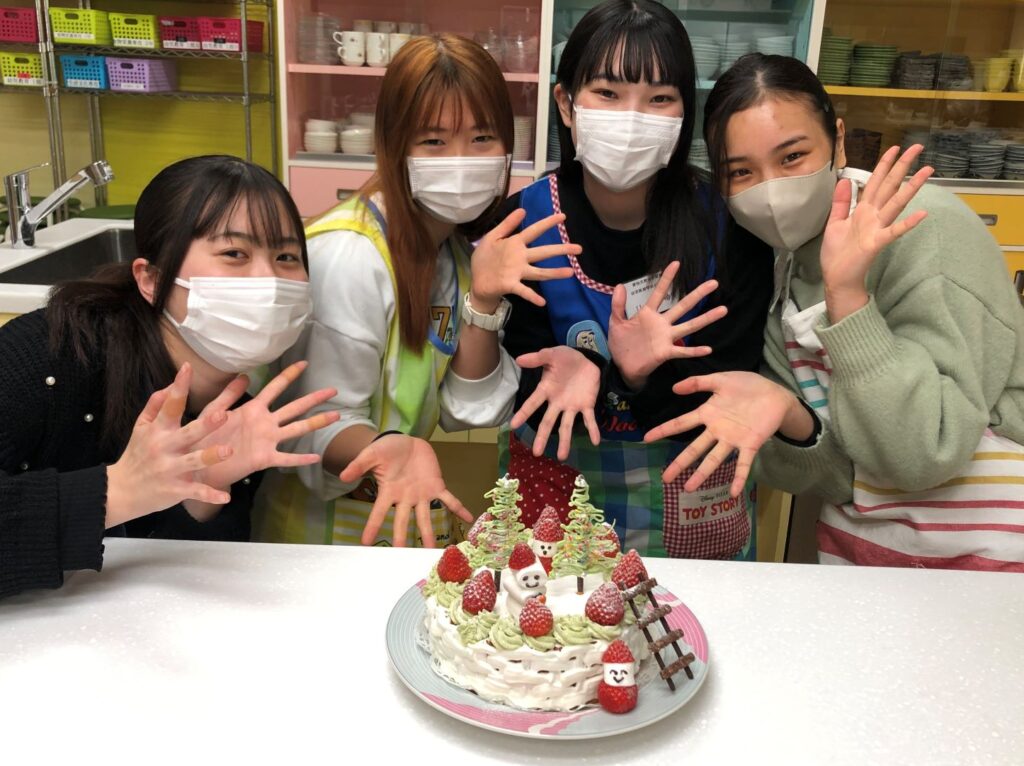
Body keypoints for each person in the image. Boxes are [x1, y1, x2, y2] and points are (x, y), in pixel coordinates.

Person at [648, 53, 1024, 570]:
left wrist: (847, 299)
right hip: (866, 555)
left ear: (838, 140)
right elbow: (837, 477)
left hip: (992, 553)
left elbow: (924, 454)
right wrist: (791, 417)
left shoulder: (924, 227)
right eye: (741, 171)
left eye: (792, 157)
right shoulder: (772, 265)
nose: (772, 190)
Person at [252, 34, 580, 549]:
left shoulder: (454, 252)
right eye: (433, 142)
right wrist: (391, 449)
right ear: (394, 144)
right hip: (317, 537)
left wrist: (483, 300)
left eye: (482, 138)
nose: (461, 160)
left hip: (398, 513)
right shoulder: (351, 256)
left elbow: (469, 409)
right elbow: (314, 423)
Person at [494, 0, 773, 559]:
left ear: (684, 113)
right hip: (555, 491)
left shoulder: (729, 228)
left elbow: (733, 385)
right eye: (607, 93)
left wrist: (637, 378)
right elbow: (513, 386)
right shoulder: (525, 222)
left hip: (690, 491)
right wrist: (595, 371)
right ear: (566, 104)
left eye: (659, 98)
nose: (632, 117)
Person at [0, 155, 339, 599]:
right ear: (152, 280)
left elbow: (175, 586)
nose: (269, 278)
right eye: (235, 254)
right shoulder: (46, 353)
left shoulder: (236, 411)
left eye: (286, 256)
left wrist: (205, 489)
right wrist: (118, 491)